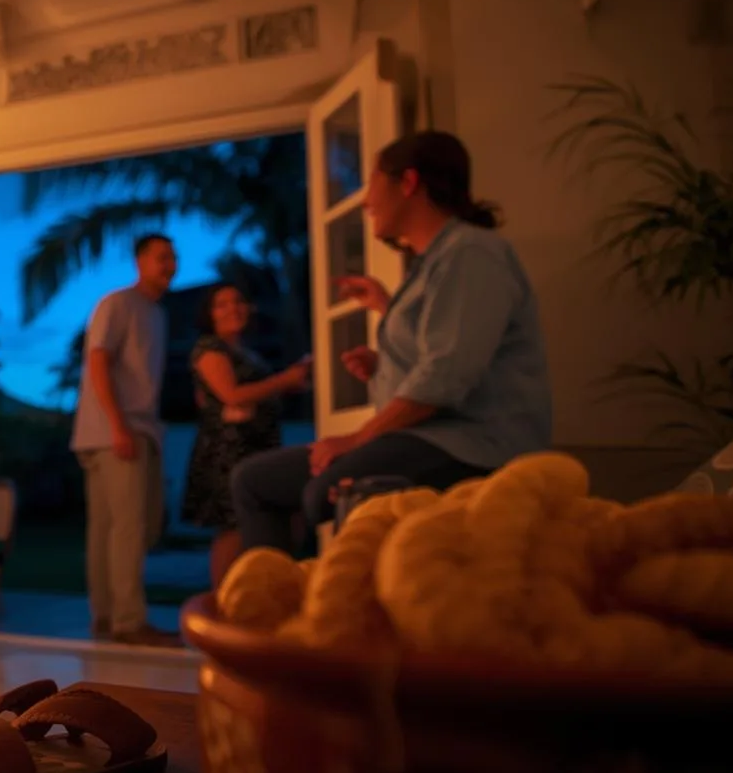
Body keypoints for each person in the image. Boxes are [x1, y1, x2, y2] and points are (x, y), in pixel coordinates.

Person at [229, 130, 552, 556]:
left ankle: (338, 609)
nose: (365, 201)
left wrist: (357, 439)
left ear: (409, 183)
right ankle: (273, 608)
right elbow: (442, 350)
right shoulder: (435, 262)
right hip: (431, 434)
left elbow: (445, 376)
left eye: (371, 183)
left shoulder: (471, 253)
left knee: (323, 492)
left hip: (474, 444)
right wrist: (385, 357)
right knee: (253, 481)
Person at [72, 233, 178, 647]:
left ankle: (105, 617)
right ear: (140, 261)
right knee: (132, 527)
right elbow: (98, 358)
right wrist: (118, 425)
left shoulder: (157, 314)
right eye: (161, 258)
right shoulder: (119, 303)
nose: (169, 265)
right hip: (117, 431)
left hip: (126, 429)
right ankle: (129, 622)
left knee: (109, 529)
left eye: (173, 258)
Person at [180, 284, 312, 587]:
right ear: (209, 314)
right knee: (234, 528)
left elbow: (261, 393)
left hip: (259, 444)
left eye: (238, 301)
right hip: (230, 451)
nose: (233, 308)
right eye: (222, 304)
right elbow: (231, 394)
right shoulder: (210, 348)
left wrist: (294, 381)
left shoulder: (248, 353)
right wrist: (284, 379)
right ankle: (222, 606)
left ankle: (262, 594)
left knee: (275, 519)